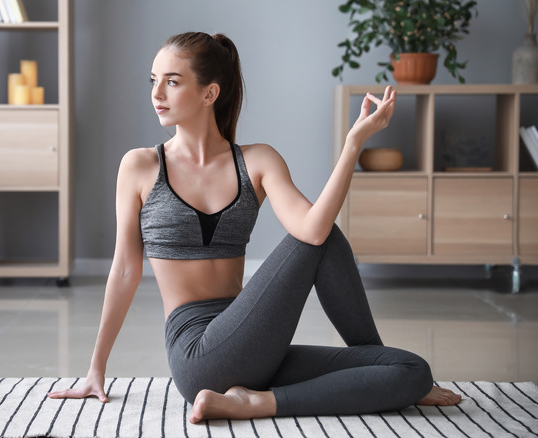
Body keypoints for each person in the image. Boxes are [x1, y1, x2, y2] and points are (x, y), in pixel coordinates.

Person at [48, 31, 461, 423]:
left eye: (172, 82)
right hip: (198, 355)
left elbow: (314, 229)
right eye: (154, 80)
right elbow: (124, 270)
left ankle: (261, 400)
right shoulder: (140, 166)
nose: (156, 94)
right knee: (320, 236)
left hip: (256, 343)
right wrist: (95, 367)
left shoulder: (257, 161)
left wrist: (352, 144)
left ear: (210, 93)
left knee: (411, 370)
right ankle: (287, 389)